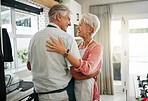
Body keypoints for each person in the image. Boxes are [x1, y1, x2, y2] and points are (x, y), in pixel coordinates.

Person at [27, 4, 99, 101]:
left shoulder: (34, 38)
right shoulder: (67, 38)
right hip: (61, 97)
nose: (70, 24)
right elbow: (76, 74)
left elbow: (29, 66)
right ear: (59, 17)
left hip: (39, 96)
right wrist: (95, 73)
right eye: (68, 19)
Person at [46, 13, 103, 101]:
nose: (77, 27)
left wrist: (65, 53)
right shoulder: (76, 45)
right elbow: (72, 68)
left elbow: (87, 69)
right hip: (74, 86)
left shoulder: (97, 47)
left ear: (90, 29)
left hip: (87, 88)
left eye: (81, 24)